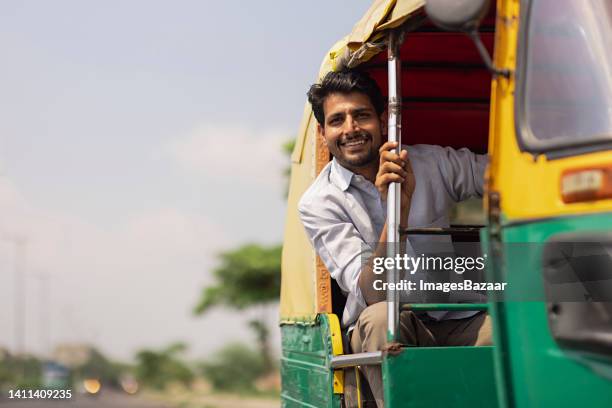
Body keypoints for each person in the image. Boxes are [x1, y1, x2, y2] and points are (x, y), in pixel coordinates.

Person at [298, 69, 492, 408]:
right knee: (380, 320)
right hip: (387, 324)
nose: (351, 129)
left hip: (455, 316)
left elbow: (498, 173)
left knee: (516, 327)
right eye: (337, 120)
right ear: (323, 131)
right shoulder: (319, 203)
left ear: (384, 118)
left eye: (361, 115)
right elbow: (372, 292)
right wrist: (397, 212)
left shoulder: (429, 162)